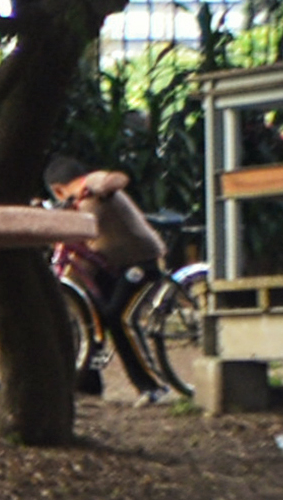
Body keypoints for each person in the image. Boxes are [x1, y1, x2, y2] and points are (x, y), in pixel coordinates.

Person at [45, 163, 184, 399]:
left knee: (120, 318)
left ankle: (153, 387)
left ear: (58, 189)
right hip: (112, 268)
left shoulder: (91, 185)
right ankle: (87, 385)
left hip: (143, 261)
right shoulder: (74, 206)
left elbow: (115, 180)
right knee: (87, 313)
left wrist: (93, 186)